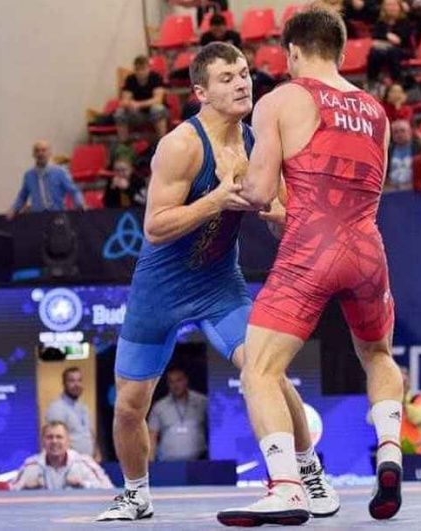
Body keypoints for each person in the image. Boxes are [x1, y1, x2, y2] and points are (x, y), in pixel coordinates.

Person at [96, 42, 338, 522]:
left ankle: (309, 473)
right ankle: (136, 494)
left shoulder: (258, 142)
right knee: (129, 406)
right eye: (227, 78)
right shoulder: (181, 146)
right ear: (201, 92)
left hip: (219, 284)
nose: (242, 83)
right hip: (159, 290)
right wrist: (217, 200)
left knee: (265, 371)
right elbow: (154, 227)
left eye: (244, 73)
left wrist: (277, 214)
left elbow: (283, 215)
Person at [216, 9, 404, 525]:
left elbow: (259, 192)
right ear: (340, 52)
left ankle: (286, 488)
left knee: (259, 370)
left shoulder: (281, 100)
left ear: (293, 52)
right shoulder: (376, 111)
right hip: (367, 250)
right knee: (378, 355)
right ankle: (390, 450)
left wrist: (231, 182)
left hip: (311, 249)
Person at [10, 422, 113, 490]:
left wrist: (84, 484)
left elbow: (109, 489)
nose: (54, 441)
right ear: (42, 441)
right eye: (49, 437)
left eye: (59, 437)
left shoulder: (84, 463)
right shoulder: (31, 465)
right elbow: (9, 492)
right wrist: (24, 488)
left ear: (68, 441)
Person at [6, 141, 84, 219]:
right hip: (38, 217)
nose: (40, 153)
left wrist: (79, 204)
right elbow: (22, 196)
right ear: (33, 154)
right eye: (37, 151)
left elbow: (74, 191)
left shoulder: (60, 172)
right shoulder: (28, 175)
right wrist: (14, 209)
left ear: (50, 153)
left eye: (43, 150)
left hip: (58, 216)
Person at [148, 367, 208, 461]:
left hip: (199, 462)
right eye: (171, 382)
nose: (175, 385)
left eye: (179, 380)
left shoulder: (203, 402)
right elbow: (152, 436)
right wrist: (150, 464)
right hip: (167, 463)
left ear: (186, 380)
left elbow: (216, 430)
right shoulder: (159, 407)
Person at [45, 367, 99, 459]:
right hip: (71, 463)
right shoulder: (56, 408)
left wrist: (96, 454)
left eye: (79, 380)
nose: (76, 384)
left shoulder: (83, 407)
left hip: (88, 461)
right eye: (72, 381)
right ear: (64, 384)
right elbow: (56, 440)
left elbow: (90, 433)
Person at [115, 56, 169, 143]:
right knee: (120, 112)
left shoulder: (156, 77)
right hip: (138, 114)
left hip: (155, 112)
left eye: (143, 69)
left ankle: (163, 143)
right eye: (137, 69)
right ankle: (124, 145)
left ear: (148, 68)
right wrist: (130, 104)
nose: (140, 72)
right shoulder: (130, 79)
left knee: (157, 109)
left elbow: (158, 100)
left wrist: (139, 104)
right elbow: (124, 101)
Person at [367, 0, 415, 88]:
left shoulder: (405, 21)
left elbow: (399, 40)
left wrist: (383, 37)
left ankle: (398, 82)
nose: (391, 8)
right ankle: (372, 81)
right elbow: (375, 37)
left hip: (403, 50)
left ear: (399, 7)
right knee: (374, 53)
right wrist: (387, 35)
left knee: (392, 52)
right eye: (388, 5)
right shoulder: (380, 22)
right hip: (384, 50)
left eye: (394, 5)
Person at [387, 119, 421, 190]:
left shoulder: (419, 148)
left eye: (402, 131)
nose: (399, 134)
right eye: (396, 132)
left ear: (410, 132)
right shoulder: (388, 150)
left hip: (414, 188)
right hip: (392, 188)